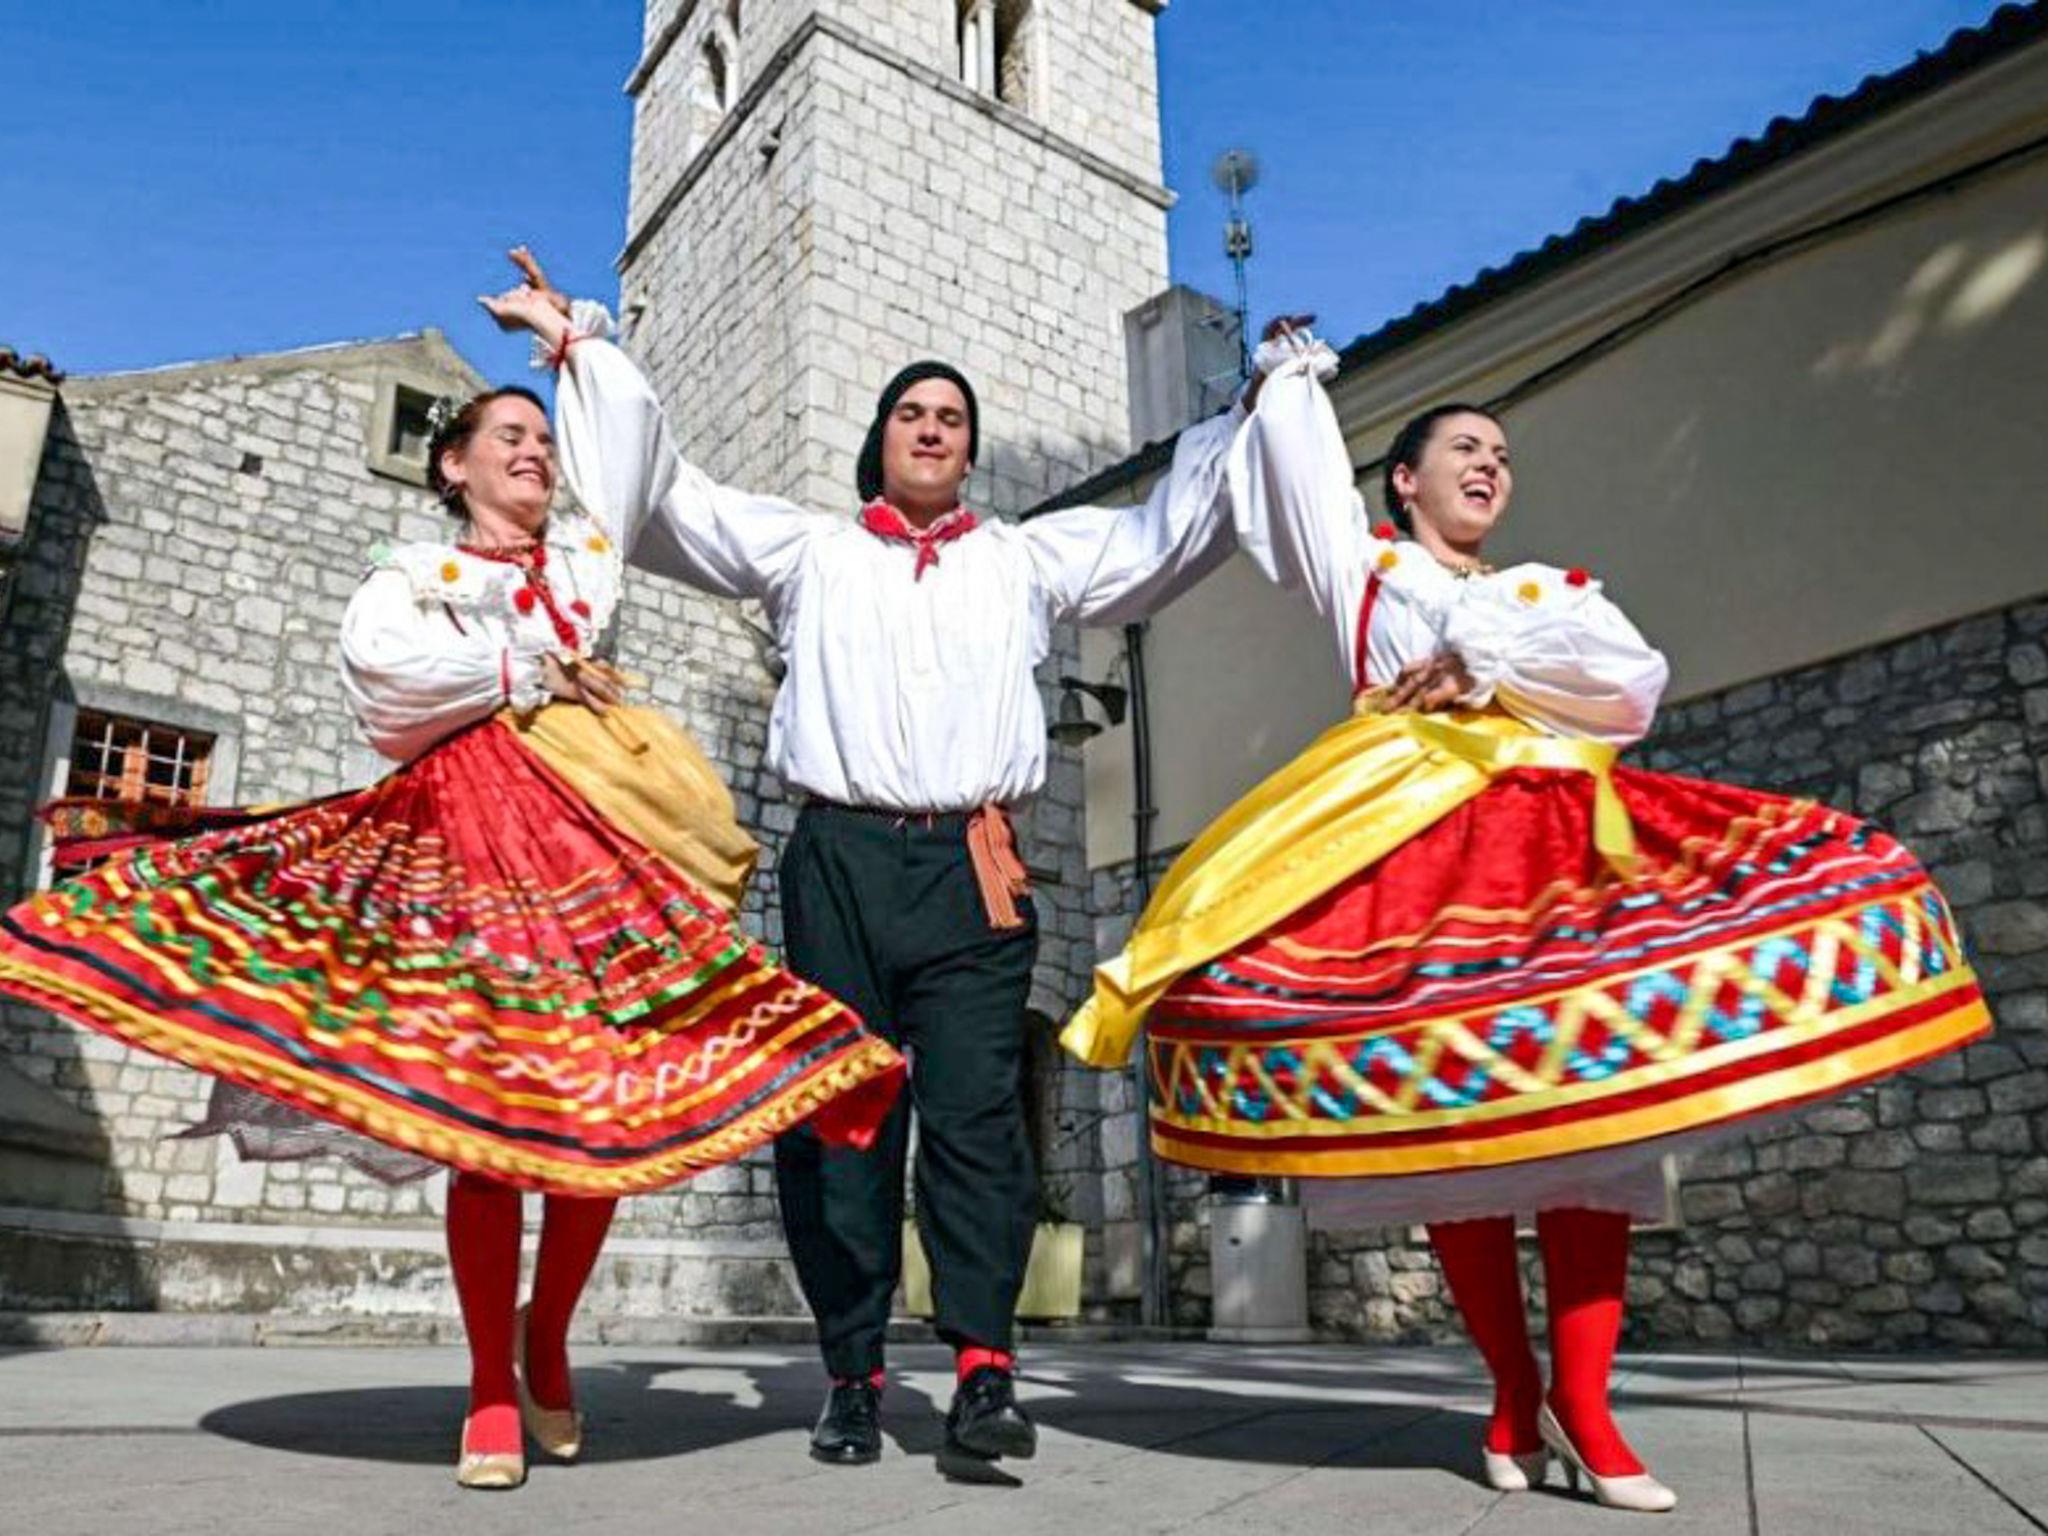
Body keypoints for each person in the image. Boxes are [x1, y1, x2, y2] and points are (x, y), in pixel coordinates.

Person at [1064, 326, 1990, 1513]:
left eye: (1500, 453)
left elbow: (1625, 685)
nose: (1488, 464)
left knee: (1594, 1121)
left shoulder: (1547, 593)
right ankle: (1512, 1390)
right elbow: (1299, 476)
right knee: (1463, 1132)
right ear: (1404, 480)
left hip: (1560, 850)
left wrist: (1481, 657)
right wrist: (1285, 379)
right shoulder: (1367, 572)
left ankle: (1585, 1410)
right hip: (1418, 853)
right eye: (1463, 448)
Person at [0, 380, 904, 1492]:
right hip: (466, 847)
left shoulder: (581, 562)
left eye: (543, 439)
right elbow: (386, 681)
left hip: (588, 849)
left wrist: (576, 348)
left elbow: (625, 451)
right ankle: (489, 1382)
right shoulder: (417, 577)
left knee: (597, 1107)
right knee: (489, 1123)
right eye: (509, 437)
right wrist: (521, 670)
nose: (535, 453)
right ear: (452, 465)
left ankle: (546, 1330)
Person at [486, 251, 1241, 1478]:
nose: (931, 429)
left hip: (971, 863)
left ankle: (984, 1370)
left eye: (951, 418)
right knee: (840, 1117)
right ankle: (851, 1374)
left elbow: (1163, 535)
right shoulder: (807, 551)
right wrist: (582, 349)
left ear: (969, 450)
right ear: (878, 441)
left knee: (978, 1117)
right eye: (911, 413)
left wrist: (1253, 419)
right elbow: (663, 494)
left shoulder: (1025, 557)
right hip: (837, 858)